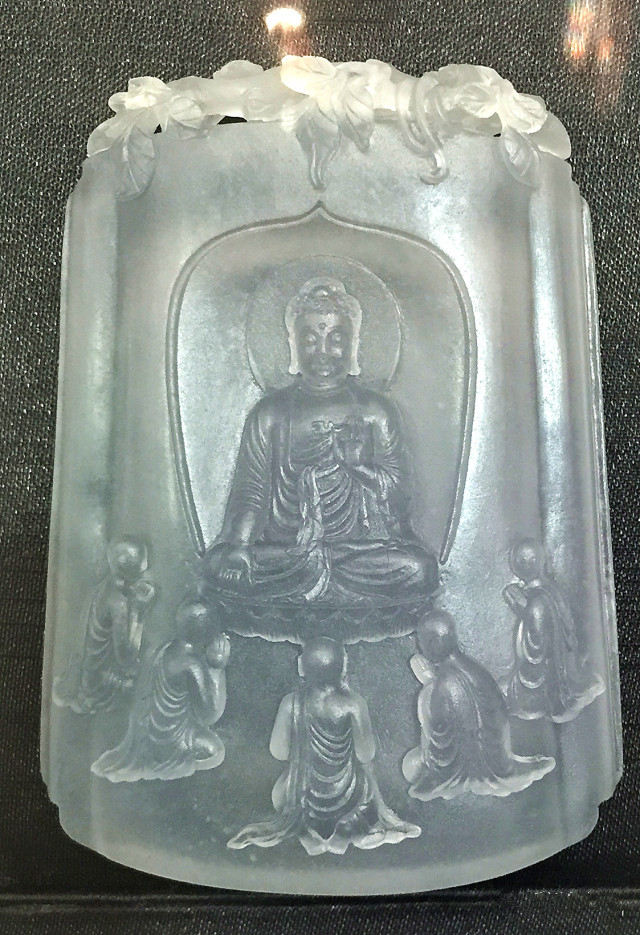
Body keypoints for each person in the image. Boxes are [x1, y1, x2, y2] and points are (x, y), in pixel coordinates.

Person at [207, 277, 437, 606]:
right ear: (294, 346)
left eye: (336, 339)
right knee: (217, 566)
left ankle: (311, 586)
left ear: (353, 346)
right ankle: (314, 581)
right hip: (288, 551)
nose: (323, 352)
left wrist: (357, 467)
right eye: (311, 340)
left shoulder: (375, 412)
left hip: (358, 553)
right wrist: (241, 546)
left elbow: (400, 499)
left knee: (419, 569)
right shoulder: (270, 414)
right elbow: (252, 494)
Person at [228, 636, 421, 854]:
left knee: (280, 794)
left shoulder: (291, 703)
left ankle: (307, 832)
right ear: (343, 667)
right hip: (349, 795)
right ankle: (346, 827)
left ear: (302, 667)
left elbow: (279, 751)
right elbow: (366, 754)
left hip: (300, 794)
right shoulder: (353, 703)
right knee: (367, 782)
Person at [402, 611, 555, 800]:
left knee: (411, 766)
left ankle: (461, 778)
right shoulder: (472, 668)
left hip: (464, 763)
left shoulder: (445, 682)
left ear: (434, 643)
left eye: (422, 642)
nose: (420, 647)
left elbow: (439, 733)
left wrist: (428, 686)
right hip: (496, 755)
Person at [91, 601, 230, 781]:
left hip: (143, 736)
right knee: (215, 751)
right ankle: (163, 761)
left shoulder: (159, 650)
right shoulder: (191, 664)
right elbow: (209, 715)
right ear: (205, 634)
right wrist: (217, 667)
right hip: (170, 740)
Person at [503, 538, 604, 722]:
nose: (525, 565)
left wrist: (522, 607)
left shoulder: (539, 602)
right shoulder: (549, 591)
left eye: (529, 560)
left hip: (549, 678)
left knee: (505, 692)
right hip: (565, 669)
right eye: (521, 561)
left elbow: (537, 653)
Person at [53, 539, 155, 714]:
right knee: (146, 683)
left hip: (85, 669)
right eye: (142, 567)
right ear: (131, 570)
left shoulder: (102, 587)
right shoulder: (118, 602)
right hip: (97, 679)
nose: (146, 569)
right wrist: (140, 612)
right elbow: (126, 657)